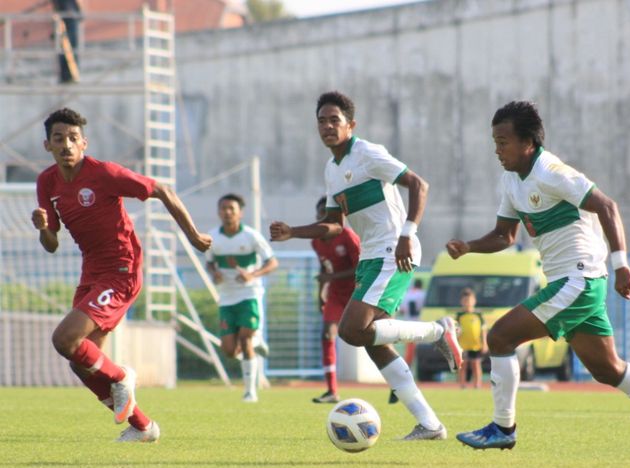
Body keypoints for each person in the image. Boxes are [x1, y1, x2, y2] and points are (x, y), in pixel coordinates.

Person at [448, 100, 630, 463]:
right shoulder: (510, 180)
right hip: (572, 283)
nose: (497, 150)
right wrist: (469, 246)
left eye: (503, 141)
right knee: (608, 370)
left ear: (529, 142)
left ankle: (502, 429)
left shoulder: (552, 171)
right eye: (494, 142)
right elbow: (504, 236)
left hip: (579, 278)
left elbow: (607, 206)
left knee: (500, 337)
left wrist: (621, 265)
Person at [270, 90, 462, 440]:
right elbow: (334, 224)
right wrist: (293, 231)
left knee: (350, 330)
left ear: (350, 125)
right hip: (372, 256)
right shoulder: (332, 168)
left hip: (393, 249)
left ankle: (437, 331)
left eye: (334, 120)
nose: (327, 126)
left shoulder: (368, 154)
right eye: (322, 121)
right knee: (374, 343)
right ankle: (430, 424)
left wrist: (408, 232)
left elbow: (419, 184)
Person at [33, 108, 212, 442]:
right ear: (48, 145)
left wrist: (193, 235)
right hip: (92, 272)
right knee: (79, 361)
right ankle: (144, 427)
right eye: (59, 138)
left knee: (64, 340)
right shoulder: (47, 181)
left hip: (121, 270)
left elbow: (162, 190)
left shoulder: (104, 174)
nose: (66, 145)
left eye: (73, 138)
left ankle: (121, 376)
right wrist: (43, 228)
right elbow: (51, 244)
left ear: (84, 143)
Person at [206, 194, 278, 403]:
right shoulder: (212, 238)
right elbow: (209, 262)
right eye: (224, 208)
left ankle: (250, 392)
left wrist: (252, 275)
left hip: (249, 294)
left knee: (245, 338)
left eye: (232, 208)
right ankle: (256, 341)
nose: (227, 212)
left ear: (240, 212)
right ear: (219, 212)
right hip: (227, 297)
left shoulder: (251, 236)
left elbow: (272, 262)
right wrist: (214, 273)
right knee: (229, 350)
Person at [310, 196, 360, 403]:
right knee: (327, 335)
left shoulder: (348, 236)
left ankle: (396, 381)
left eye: (328, 213)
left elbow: (360, 269)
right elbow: (324, 268)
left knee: (371, 338)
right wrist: (321, 292)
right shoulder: (315, 240)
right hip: (335, 294)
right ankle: (332, 390)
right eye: (320, 213)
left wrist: (330, 278)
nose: (324, 217)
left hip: (357, 292)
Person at [389, 277, 426, 404]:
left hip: (407, 327)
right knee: (412, 356)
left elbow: (402, 309)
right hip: (419, 327)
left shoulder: (407, 294)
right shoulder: (423, 294)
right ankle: (404, 382)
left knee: (408, 356)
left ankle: (403, 382)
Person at [456, 288, 487, 389]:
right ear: (461, 302)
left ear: (474, 301)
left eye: (469, 300)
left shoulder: (478, 315)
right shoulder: (459, 316)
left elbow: (483, 330)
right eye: (465, 301)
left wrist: (485, 343)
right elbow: (455, 330)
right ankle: (462, 384)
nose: (467, 303)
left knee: (476, 364)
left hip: (476, 345)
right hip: (463, 345)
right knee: (463, 365)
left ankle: (477, 385)